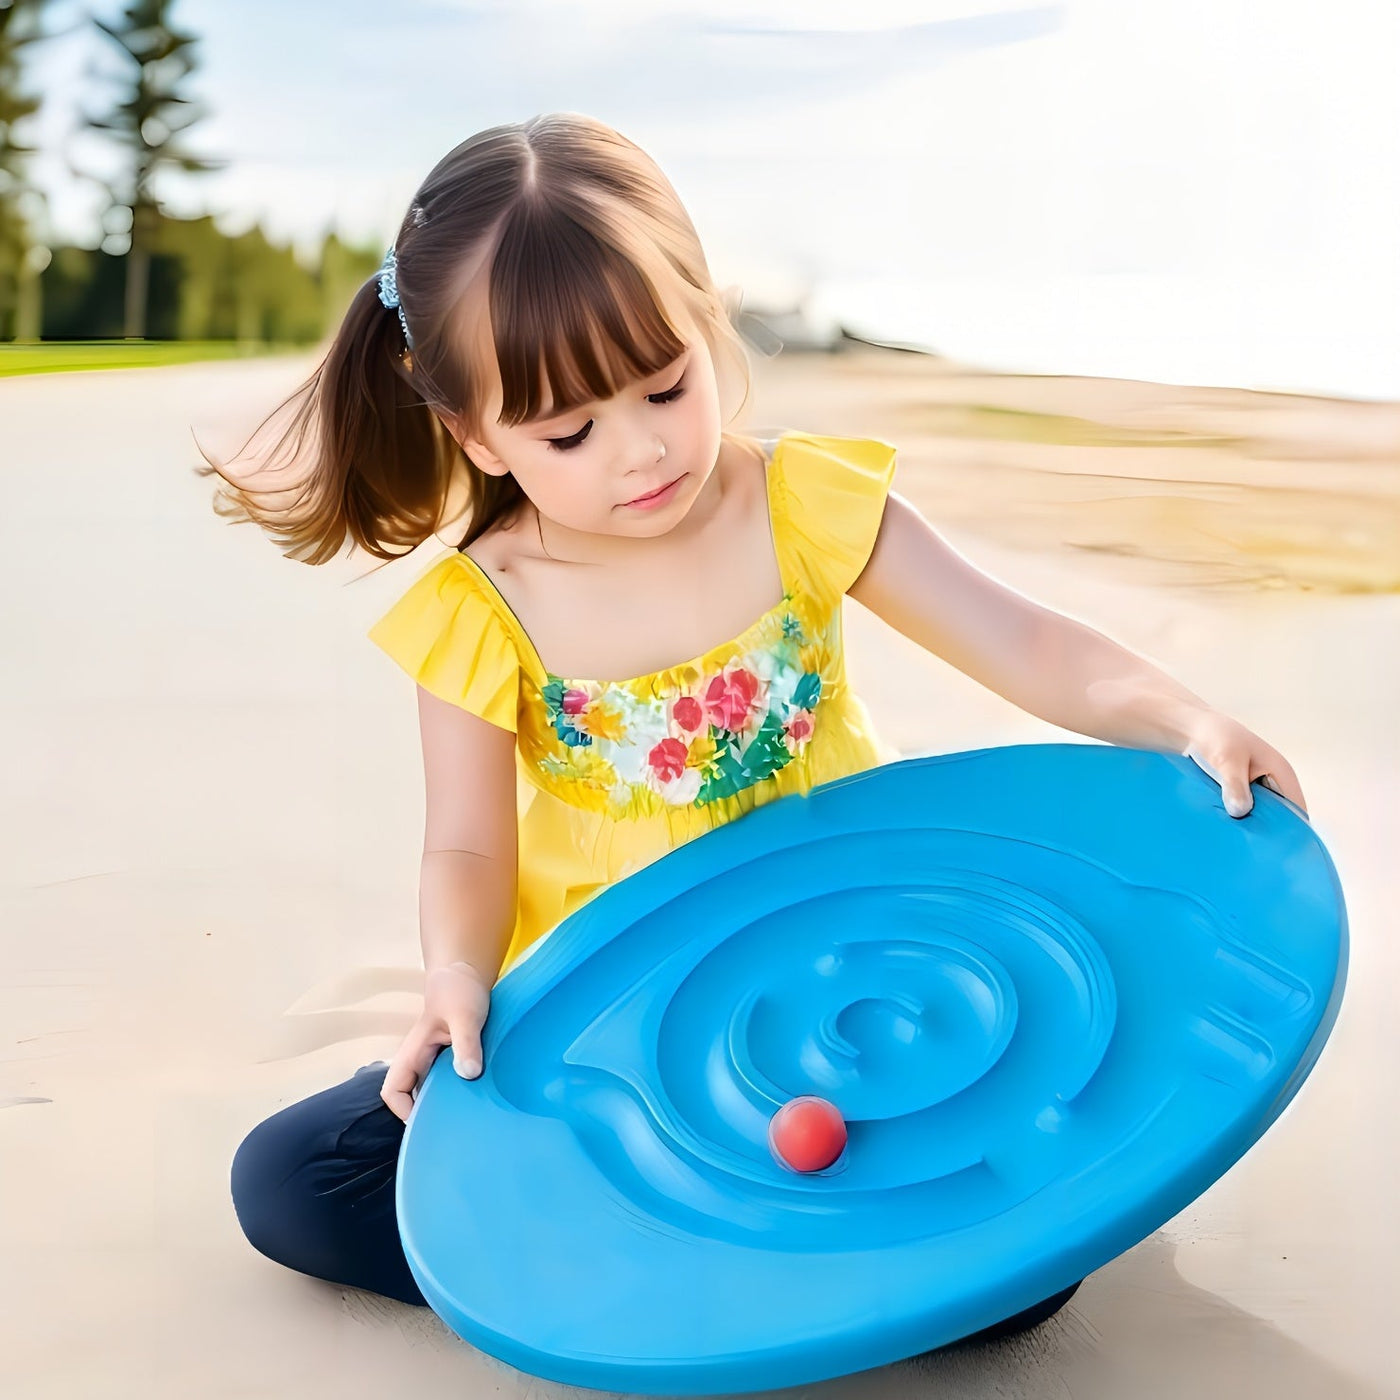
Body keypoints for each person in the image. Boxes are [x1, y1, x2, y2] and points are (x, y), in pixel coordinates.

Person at [215, 113, 1308, 1348]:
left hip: (854, 985)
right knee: (293, 1181)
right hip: (610, 1026)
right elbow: (466, 848)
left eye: (664, 385)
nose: (639, 451)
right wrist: (456, 977)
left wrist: (1188, 716)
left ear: (705, 314)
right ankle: (703, 1268)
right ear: (473, 434)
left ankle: (733, 1274)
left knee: (1025, 1288)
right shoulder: (485, 606)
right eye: (568, 432)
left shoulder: (800, 503)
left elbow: (1030, 645)